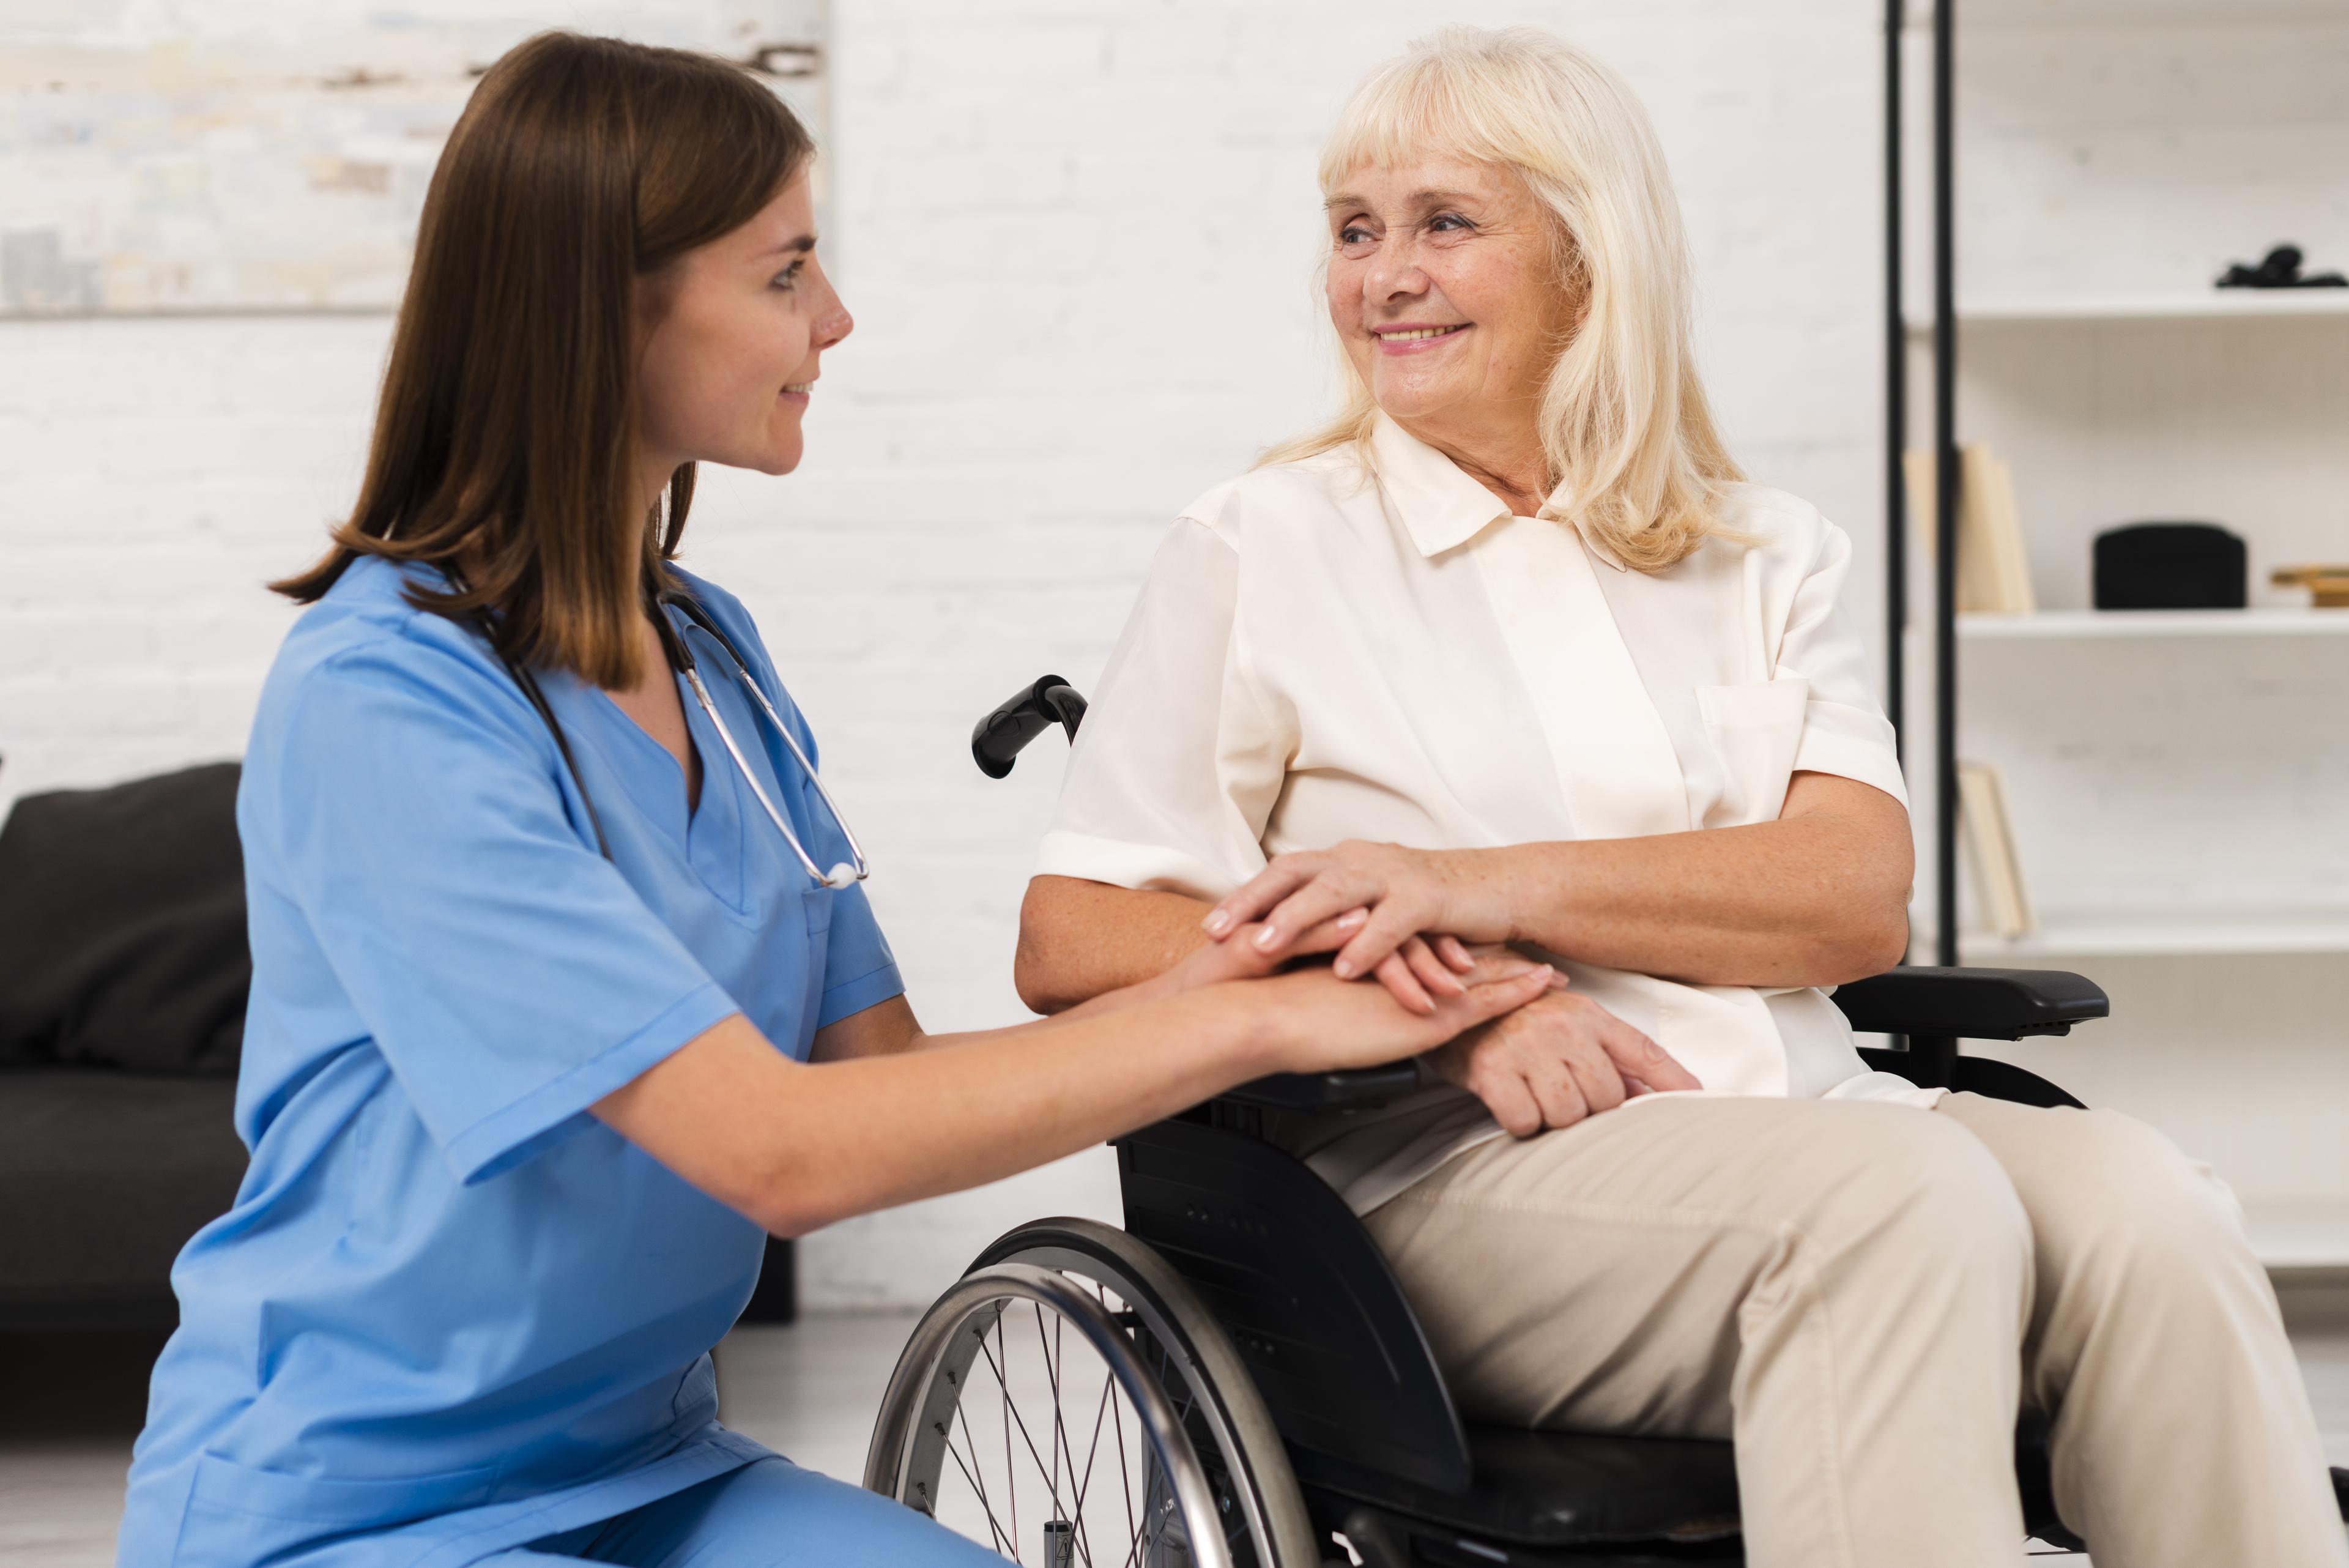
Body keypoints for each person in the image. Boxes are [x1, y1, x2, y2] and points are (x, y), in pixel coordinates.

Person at [112, 33, 1562, 1568]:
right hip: (345, 1508)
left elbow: (886, 1073)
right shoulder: (384, 698)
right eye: (785, 272)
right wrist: (1254, 1024)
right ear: (610, 305)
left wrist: (1222, 971)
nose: (838, 317)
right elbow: (780, 1156)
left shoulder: (712, 656)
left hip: (642, 1467)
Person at [1015, 26, 2349, 1568]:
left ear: (1592, 258)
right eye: (1353, 229)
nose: (1384, 274)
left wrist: (1475, 883)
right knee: (1896, 1199)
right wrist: (1459, 1007)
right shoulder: (1264, 543)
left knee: (2148, 1206)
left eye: (1447, 222)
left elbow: (1848, 898)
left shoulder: (1760, 549)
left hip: (1810, 1114)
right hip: (1444, 1179)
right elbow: (1075, 932)